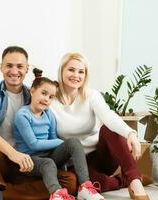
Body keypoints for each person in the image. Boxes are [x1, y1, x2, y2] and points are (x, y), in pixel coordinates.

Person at [0, 46, 77, 200]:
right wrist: (13, 153)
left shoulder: (34, 94)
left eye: (20, 66)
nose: (14, 71)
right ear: (1, 67)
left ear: (27, 69)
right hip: (0, 160)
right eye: (9, 66)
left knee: (70, 182)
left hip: (27, 163)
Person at [49, 52, 150, 200]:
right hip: (77, 164)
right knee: (94, 185)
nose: (76, 75)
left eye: (81, 71)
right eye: (71, 70)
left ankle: (135, 181)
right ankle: (122, 181)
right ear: (61, 70)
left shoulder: (91, 95)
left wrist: (131, 133)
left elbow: (109, 116)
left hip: (102, 156)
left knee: (108, 128)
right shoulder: (50, 100)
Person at [13, 68, 105, 200]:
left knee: (73, 142)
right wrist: (61, 142)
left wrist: (63, 151)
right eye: (43, 93)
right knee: (48, 163)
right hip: (30, 160)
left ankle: (85, 186)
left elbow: (52, 138)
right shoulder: (22, 115)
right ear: (32, 91)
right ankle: (56, 194)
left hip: (49, 156)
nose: (46, 99)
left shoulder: (48, 114)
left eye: (50, 97)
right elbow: (33, 144)